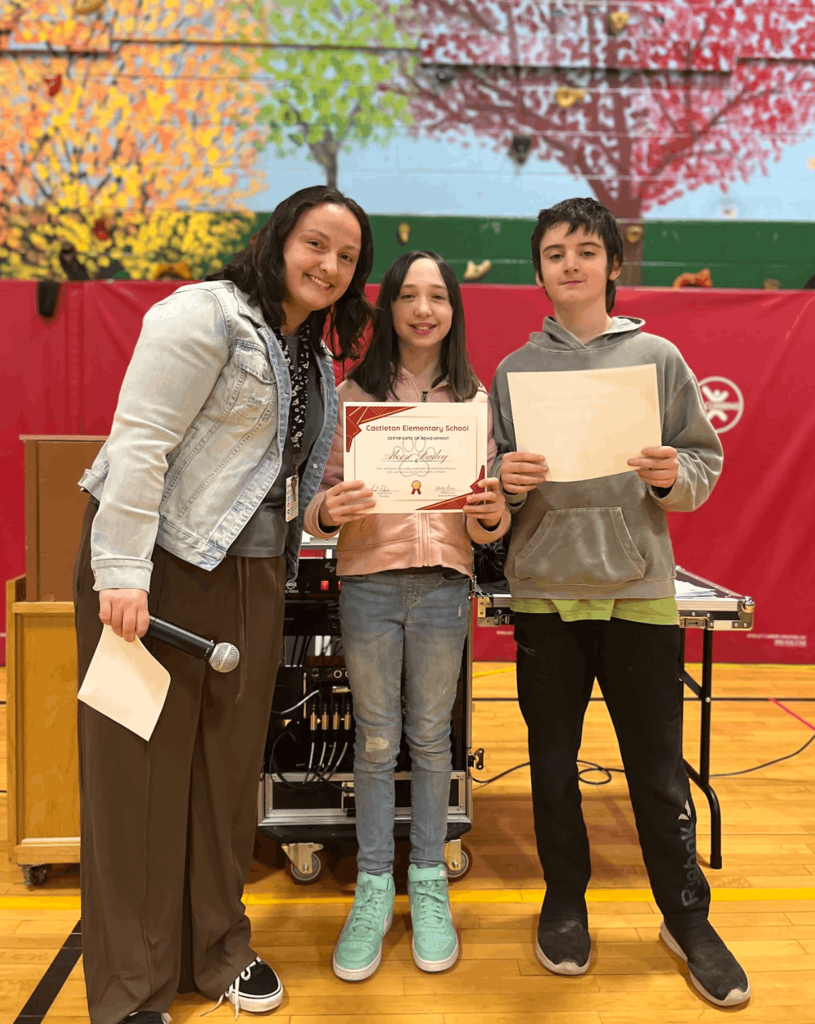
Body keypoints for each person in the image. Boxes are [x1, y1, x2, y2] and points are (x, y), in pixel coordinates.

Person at [73, 185, 375, 1024]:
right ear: (279, 240)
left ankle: (217, 949)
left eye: (347, 258)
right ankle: (133, 988)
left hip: (251, 579)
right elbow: (140, 442)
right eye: (317, 244)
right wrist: (122, 571)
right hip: (157, 570)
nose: (329, 266)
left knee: (225, 775)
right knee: (137, 777)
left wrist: (323, 516)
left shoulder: (311, 357)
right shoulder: (202, 314)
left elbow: (287, 498)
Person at [489, 198, 751, 1008]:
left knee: (656, 773)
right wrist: (503, 482)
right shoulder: (511, 371)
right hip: (543, 595)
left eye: (585, 251)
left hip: (637, 593)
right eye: (555, 253)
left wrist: (672, 476)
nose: (570, 264)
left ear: (610, 265)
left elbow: (701, 465)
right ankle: (564, 902)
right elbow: (492, 496)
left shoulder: (659, 358)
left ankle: (684, 917)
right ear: (537, 270)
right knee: (552, 769)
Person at [303, 250, 510, 982]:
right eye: (409, 296)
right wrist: (327, 508)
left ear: (453, 310)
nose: (424, 309)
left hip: (444, 589)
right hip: (368, 586)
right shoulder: (351, 393)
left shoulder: (472, 401)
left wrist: (491, 514)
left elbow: (488, 526)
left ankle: (426, 882)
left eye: (438, 297)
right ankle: (370, 888)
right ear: (388, 307)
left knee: (429, 740)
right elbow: (314, 503)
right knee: (375, 740)